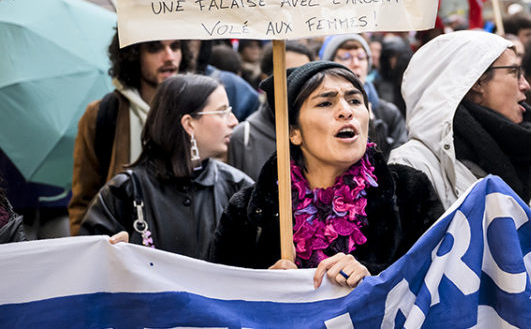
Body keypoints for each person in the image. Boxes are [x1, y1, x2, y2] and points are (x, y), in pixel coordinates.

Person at [210, 62, 443, 286]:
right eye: (325, 104)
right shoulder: (245, 212)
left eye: (354, 100)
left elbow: (438, 280)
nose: (345, 111)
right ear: (293, 132)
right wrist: (265, 286)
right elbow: (219, 298)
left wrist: (374, 277)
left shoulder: (411, 192)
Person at [79, 74, 253, 260]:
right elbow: (85, 264)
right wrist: (109, 252)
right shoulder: (124, 192)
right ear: (189, 124)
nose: (234, 121)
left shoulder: (238, 188)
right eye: (222, 112)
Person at [388, 30, 531, 210]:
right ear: (476, 82)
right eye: (514, 72)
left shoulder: (528, 150)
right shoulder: (413, 166)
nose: (525, 85)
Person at [69, 34, 192, 235]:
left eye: (175, 46)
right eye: (155, 48)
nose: (169, 57)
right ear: (133, 54)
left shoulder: (198, 111)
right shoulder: (102, 114)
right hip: (122, 249)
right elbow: (83, 202)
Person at [227, 41, 314, 180]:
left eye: (308, 76)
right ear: (264, 80)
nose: (299, 84)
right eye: (289, 75)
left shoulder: (323, 132)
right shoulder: (244, 137)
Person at [320, 34, 408, 152]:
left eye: (361, 57)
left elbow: (398, 161)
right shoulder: (321, 112)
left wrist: (372, 126)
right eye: (346, 57)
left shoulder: (389, 113)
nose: (356, 63)